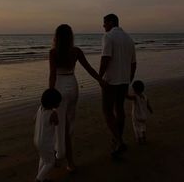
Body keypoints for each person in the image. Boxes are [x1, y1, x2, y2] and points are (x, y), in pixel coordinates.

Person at [49, 24, 103, 172]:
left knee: (60, 125)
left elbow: (52, 75)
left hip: (59, 86)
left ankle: (67, 160)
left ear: (57, 37)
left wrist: (50, 94)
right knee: (69, 122)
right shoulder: (76, 51)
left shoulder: (53, 53)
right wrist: (100, 80)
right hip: (72, 86)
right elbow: (89, 68)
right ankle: (60, 155)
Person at [99, 13, 136, 157]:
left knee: (107, 111)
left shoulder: (108, 37)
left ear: (111, 22)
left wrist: (99, 76)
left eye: (104, 23)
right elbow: (134, 63)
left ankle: (119, 140)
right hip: (124, 80)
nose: (103, 26)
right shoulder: (129, 39)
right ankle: (117, 138)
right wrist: (129, 79)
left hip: (111, 81)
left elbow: (106, 58)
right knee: (119, 108)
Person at [34, 88, 62, 182]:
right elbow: (57, 123)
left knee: (43, 158)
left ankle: (43, 177)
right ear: (52, 103)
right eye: (58, 103)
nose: (59, 104)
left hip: (37, 140)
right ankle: (39, 179)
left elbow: (35, 119)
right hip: (46, 142)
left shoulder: (40, 109)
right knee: (50, 162)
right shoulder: (52, 114)